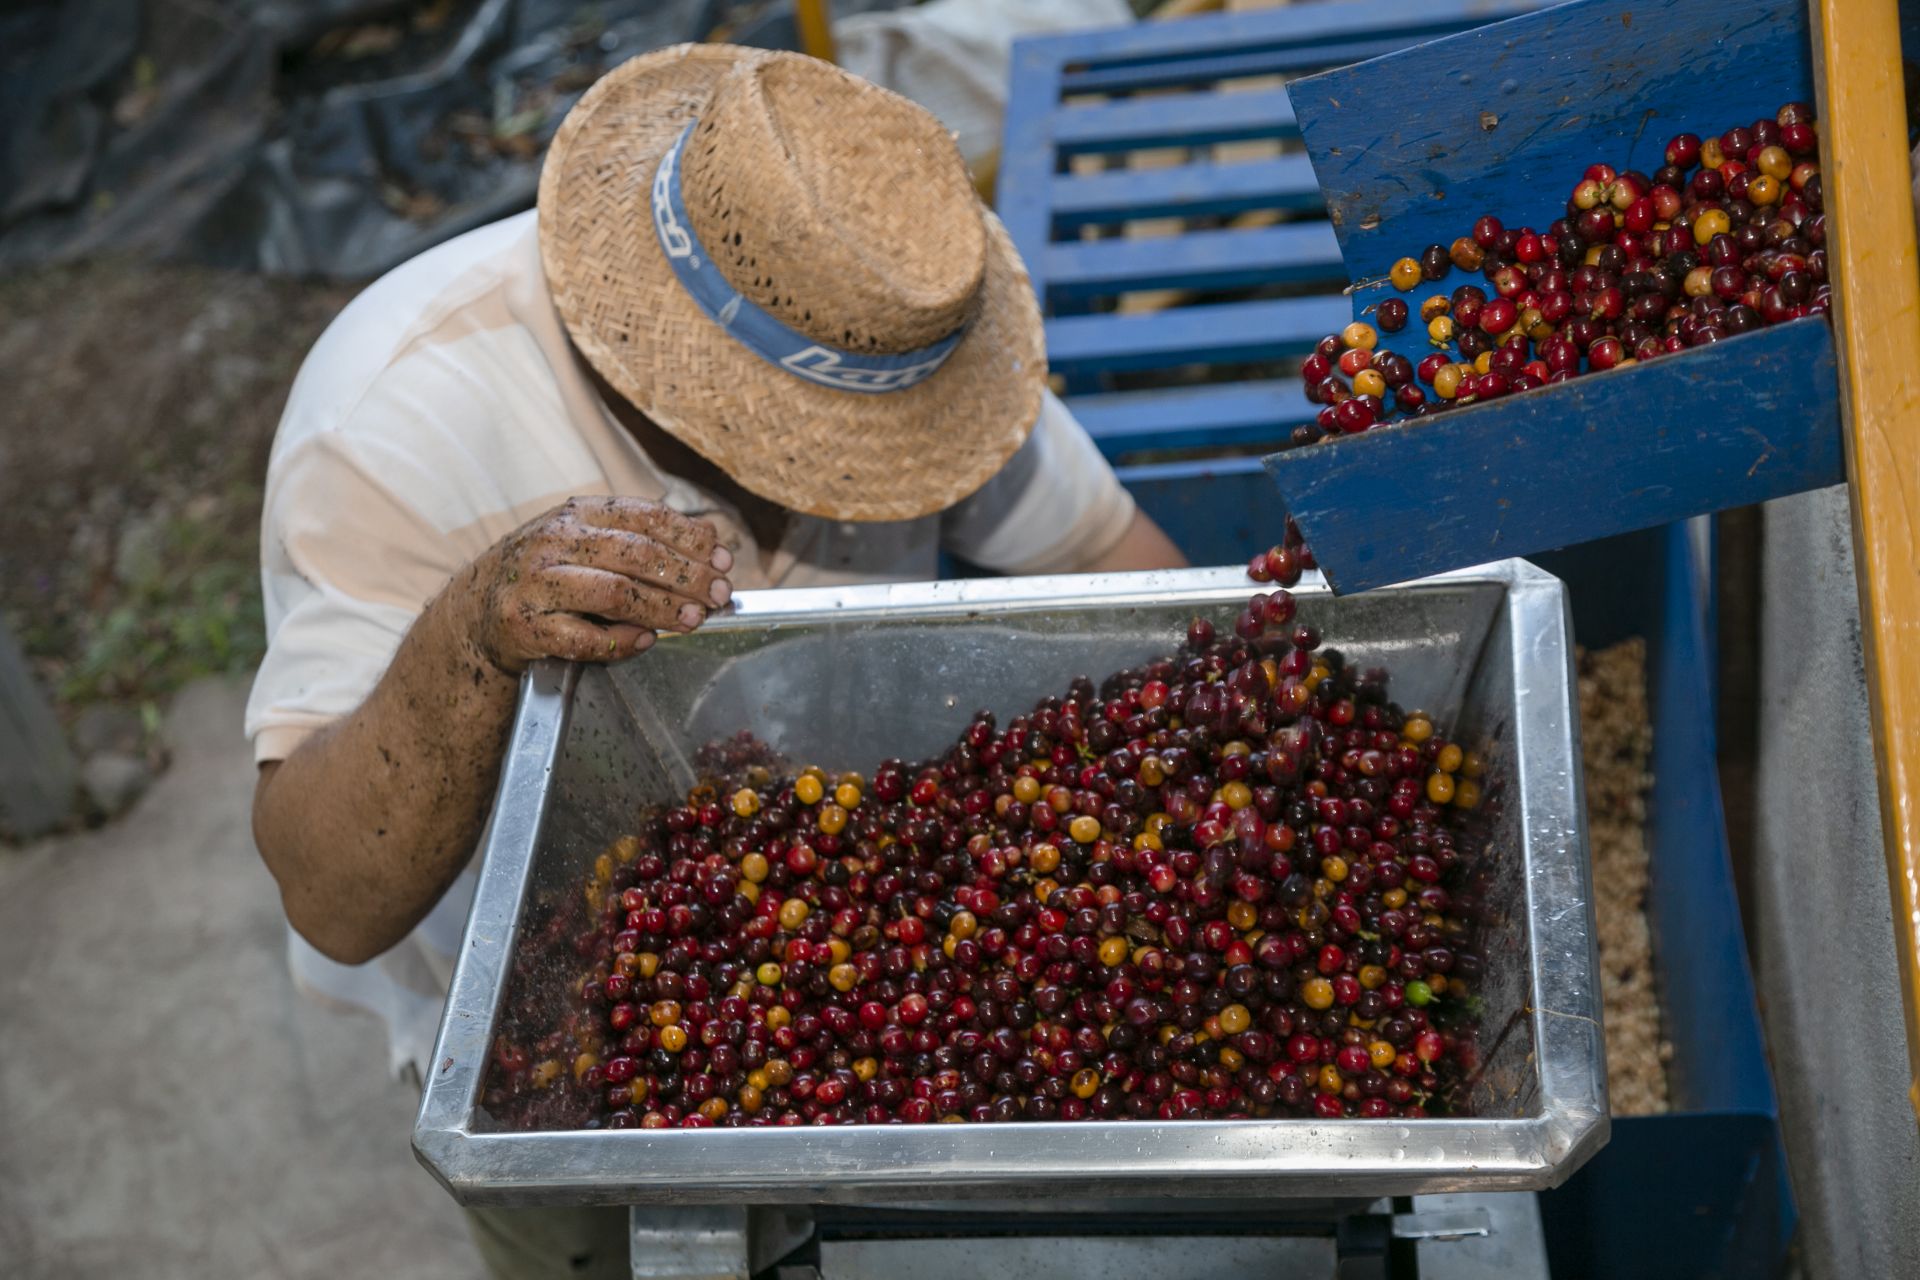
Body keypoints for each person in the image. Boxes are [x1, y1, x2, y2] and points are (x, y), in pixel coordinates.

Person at [245, 42, 1186, 1280]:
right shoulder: (393, 420)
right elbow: (330, 896)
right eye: (800, 436)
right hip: (575, 1039)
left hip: (877, 951)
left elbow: (1127, 569)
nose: (834, 474)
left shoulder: (894, 331)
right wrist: (474, 629)